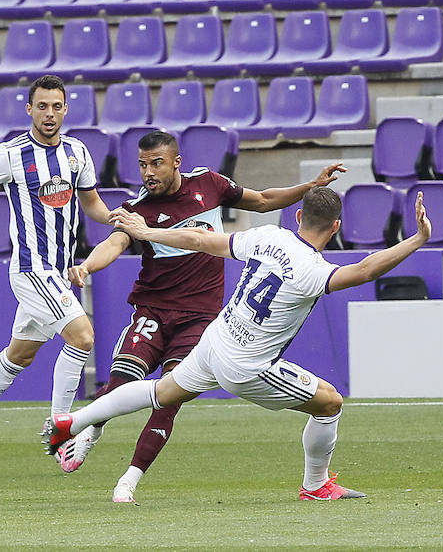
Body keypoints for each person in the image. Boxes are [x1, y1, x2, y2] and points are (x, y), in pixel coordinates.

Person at [42, 187, 431, 500]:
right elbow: (363, 270)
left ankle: (70, 422)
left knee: (160, 391)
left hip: (217, 338)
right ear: (336, 227)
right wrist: (416, 239)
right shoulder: (315, 271)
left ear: (297, 217)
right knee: (329, 402)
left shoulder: (267, 236)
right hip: (247, 365)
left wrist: (146, 233)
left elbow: (198, 238)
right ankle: (316, 486)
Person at [59, 129, 346, 503]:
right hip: (153, 311)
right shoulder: (138, 210)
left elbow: (261, 201)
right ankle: (89, 432)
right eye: (143, 165)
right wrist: (87, 266)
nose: (149, 172)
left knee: (168, 399)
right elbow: (114, 242)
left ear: (175, 162)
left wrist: (310, 186)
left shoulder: (208, 184)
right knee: (121, 380)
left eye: (156, 163)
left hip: (199, 319)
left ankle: (127, 481)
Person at [0, 74, 115, 470]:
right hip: (31, 269)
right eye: (42, 106)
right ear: (29, 110)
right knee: (83, 336)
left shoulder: (77, 152)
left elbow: (92, 204)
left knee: (19, 354)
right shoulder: (11, 153)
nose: (49, 113)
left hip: (56, 269)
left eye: (57, 106)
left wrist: (117, 218)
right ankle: (61, 428)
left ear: (66, 109)